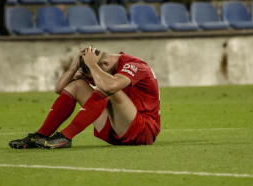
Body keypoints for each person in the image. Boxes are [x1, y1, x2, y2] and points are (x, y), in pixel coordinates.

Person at [9, 46, 160, 149]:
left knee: (109, 88)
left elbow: (109, 87)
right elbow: (59, 88)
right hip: (117, 130)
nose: (92, 77)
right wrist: (75, 66)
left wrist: (92, 67)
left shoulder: (134, 65)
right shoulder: (103, 67)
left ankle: (65, 137)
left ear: (105, 63)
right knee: (77, 85)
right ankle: (39, 136)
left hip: (143, 131)